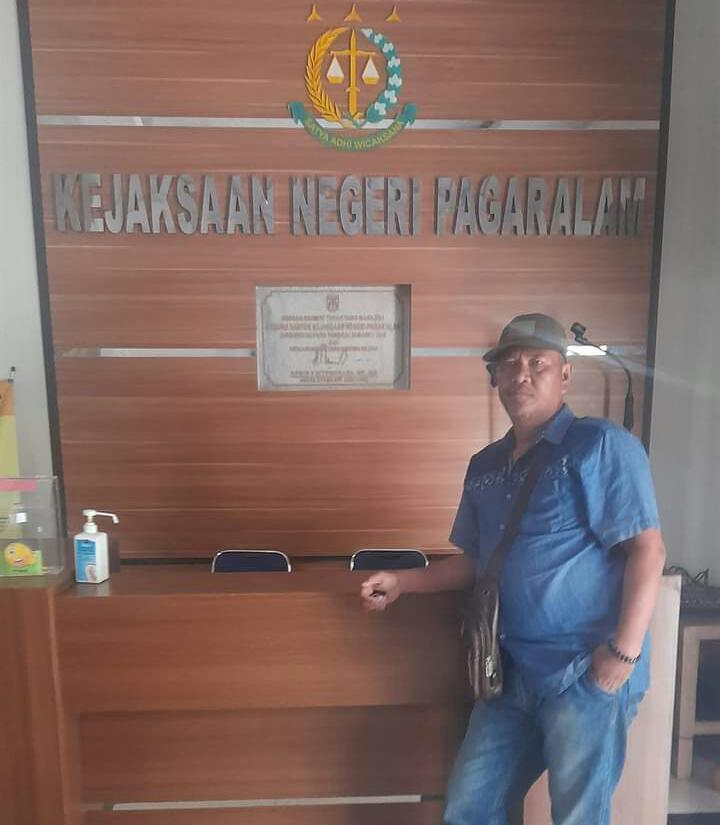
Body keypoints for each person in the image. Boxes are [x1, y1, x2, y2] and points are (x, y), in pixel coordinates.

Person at [360, 313, 666, 825]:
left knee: (577, 817)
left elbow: (648, 551)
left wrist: (622, 655)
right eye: (509, 364)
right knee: (468, 807)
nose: (521, 374)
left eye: (537, 363)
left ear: (564, 375)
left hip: (581, 673)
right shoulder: (484, 466)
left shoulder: (600, 446)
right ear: (495, 378)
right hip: (508, 674)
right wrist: (402, 582)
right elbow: (476, 563)